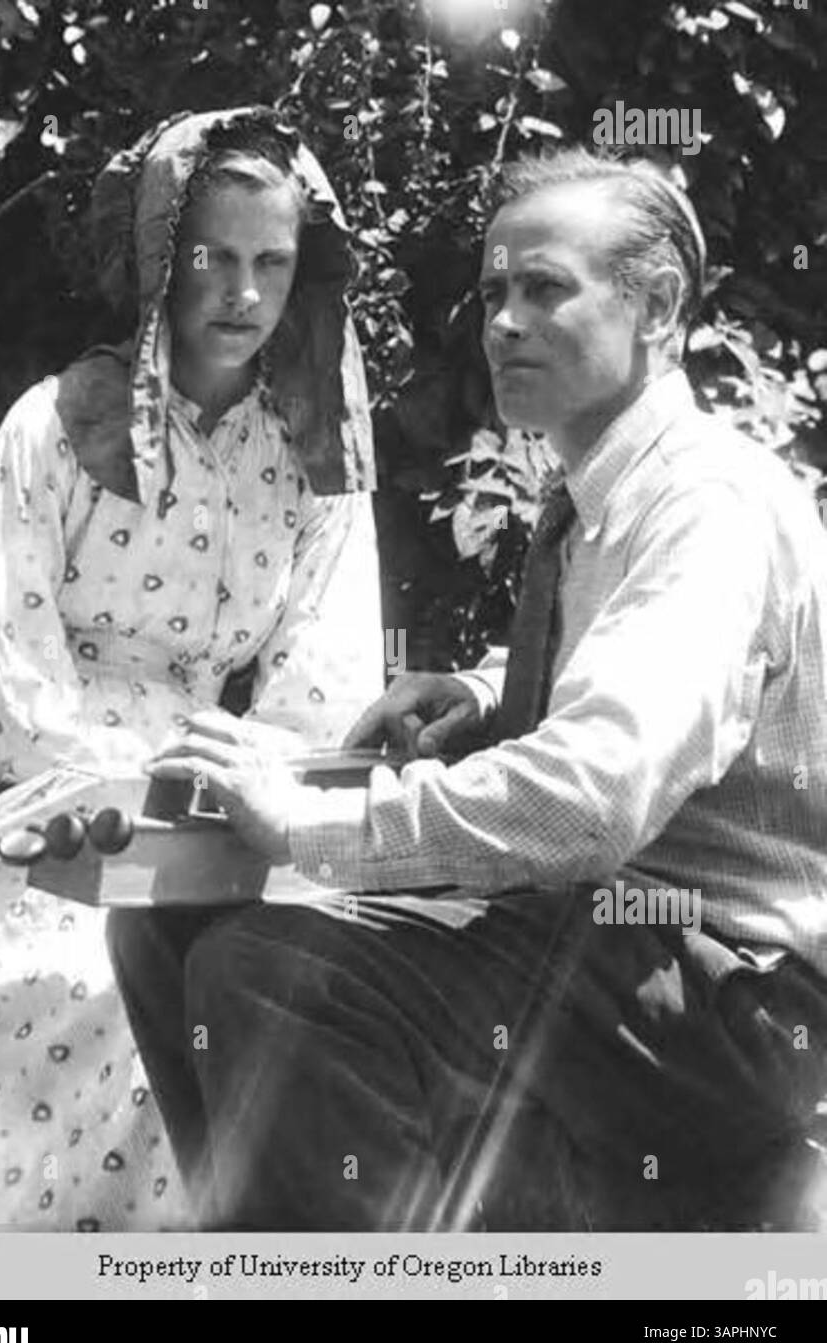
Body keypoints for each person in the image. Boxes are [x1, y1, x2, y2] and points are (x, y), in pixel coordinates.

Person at [108, 147, 827, 1232]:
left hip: (737, 994)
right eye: (492, 292)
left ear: (658, 307)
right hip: (620, 948)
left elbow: (589, 797)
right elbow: (645, 680)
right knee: (161, 913)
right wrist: (491, 694)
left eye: (544, 288)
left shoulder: (705, 505)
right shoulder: (608, 489)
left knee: (277, 967)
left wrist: (315, 821)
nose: (501, 322)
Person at [0, 107, 384, 1232]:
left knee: (209, 998)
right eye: (215, 257)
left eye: (271, 263)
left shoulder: (309, 456)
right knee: (21, 995)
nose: (243, 294)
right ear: (163, 255)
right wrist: (108, 773)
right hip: (35, 785)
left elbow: (326, 665)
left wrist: (256, 774)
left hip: (216, 789)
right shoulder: (52, 428)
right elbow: (1, 657)